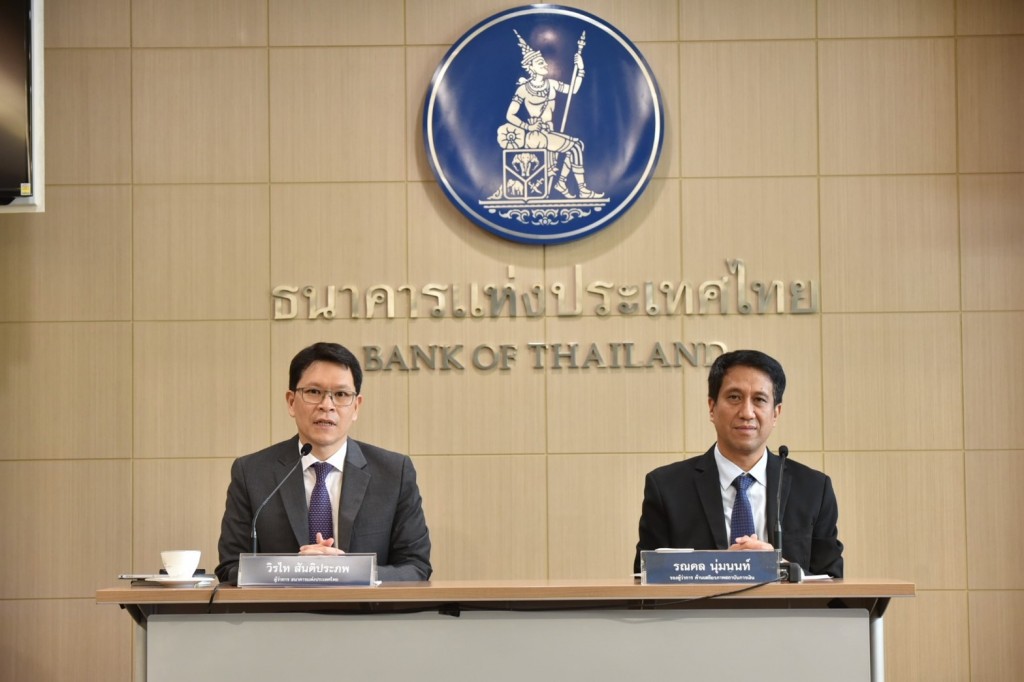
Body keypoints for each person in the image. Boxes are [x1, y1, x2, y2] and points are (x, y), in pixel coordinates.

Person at [216, 342, 431, 584]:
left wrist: (344, 571)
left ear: (356, 406)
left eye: (341, 395)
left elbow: (416, 567)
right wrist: (297, 570)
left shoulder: (394, 472)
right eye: (313, 392)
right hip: (282, 608)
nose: (326, 405)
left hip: (366, 609)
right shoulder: (252, 473)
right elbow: (230, 567)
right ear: (291, 402)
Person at [634, 350, 843, 577]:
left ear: (776, 413)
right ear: (712, 407)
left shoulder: (814, 489)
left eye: (759, 399)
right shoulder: (667, 488)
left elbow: (833, 580)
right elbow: (646, 578)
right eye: (734, 397)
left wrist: (781, 569)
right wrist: (721, 568)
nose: (747, 413)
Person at [499, 30, 604, 199]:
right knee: (575, 147)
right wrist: (527, 126)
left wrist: (581, 68)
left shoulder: (551, 84)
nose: (545, 65)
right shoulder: (523, 89)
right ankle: (582, 190)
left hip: (549, 132)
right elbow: (510, 115)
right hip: (536, 135)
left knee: (577, 146)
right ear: (531, 67)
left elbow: (572, 90)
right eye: (540, 63)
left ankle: (561, 182)